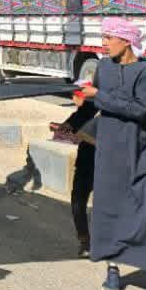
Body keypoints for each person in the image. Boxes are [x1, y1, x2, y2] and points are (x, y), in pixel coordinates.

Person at [75, 16, 146, 290]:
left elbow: (138, 109)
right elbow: (94, 105)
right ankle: (113, 269)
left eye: (108, 38)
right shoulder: (103, 68)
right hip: (109, 154)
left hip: (142, 154)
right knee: (110, 212)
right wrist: (75, 115)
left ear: (125, 41)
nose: (104, 43)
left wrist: (98, 95)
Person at [54, 99, 98, 258]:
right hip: (86, 159)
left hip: (109, 161)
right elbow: (82, 113)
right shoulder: (95, 96)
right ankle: (85, 241)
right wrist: (68, 125)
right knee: (77, 201)